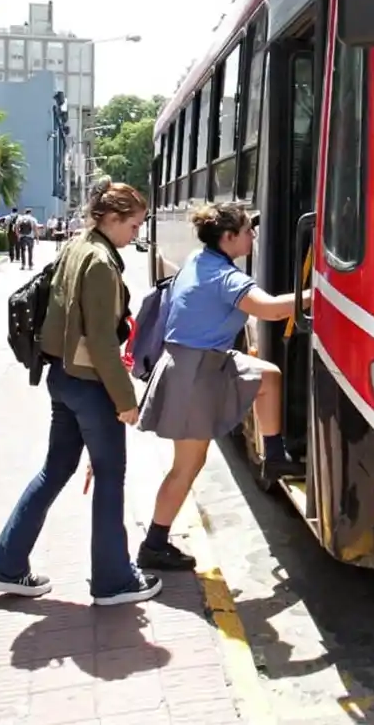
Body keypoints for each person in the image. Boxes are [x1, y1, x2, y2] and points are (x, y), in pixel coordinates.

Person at [0, 179, 160, 605]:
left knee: (55, 470)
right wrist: (126, 401)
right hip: (90, 383)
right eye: (133, 226)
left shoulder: (78, 245)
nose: (136, 234)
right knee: (110, 476)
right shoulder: (99, 261)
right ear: (112, 219)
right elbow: (101, 341)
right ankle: (113, 579)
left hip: (62, 377)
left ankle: (6, 565)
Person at [136, 202, 306, 572]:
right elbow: (273, 310)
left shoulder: (201, 259)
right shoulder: (224, 277)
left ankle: (273, 456)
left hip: (203, 361)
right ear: (229, 238)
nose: (253, 235)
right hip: (196, 371)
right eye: (247, 230)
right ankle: (154, 544)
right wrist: (318, 293)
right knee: (187, 466)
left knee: (268, 376)